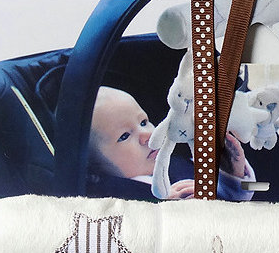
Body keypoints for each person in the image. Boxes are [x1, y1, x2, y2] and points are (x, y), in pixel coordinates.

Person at [87, 86, 256, 201]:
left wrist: (232, 174)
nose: (148, 135)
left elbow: (235, 200)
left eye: (143, 122)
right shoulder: (117, 198)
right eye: (124, 136)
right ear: (94, 165)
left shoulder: (182, 163)